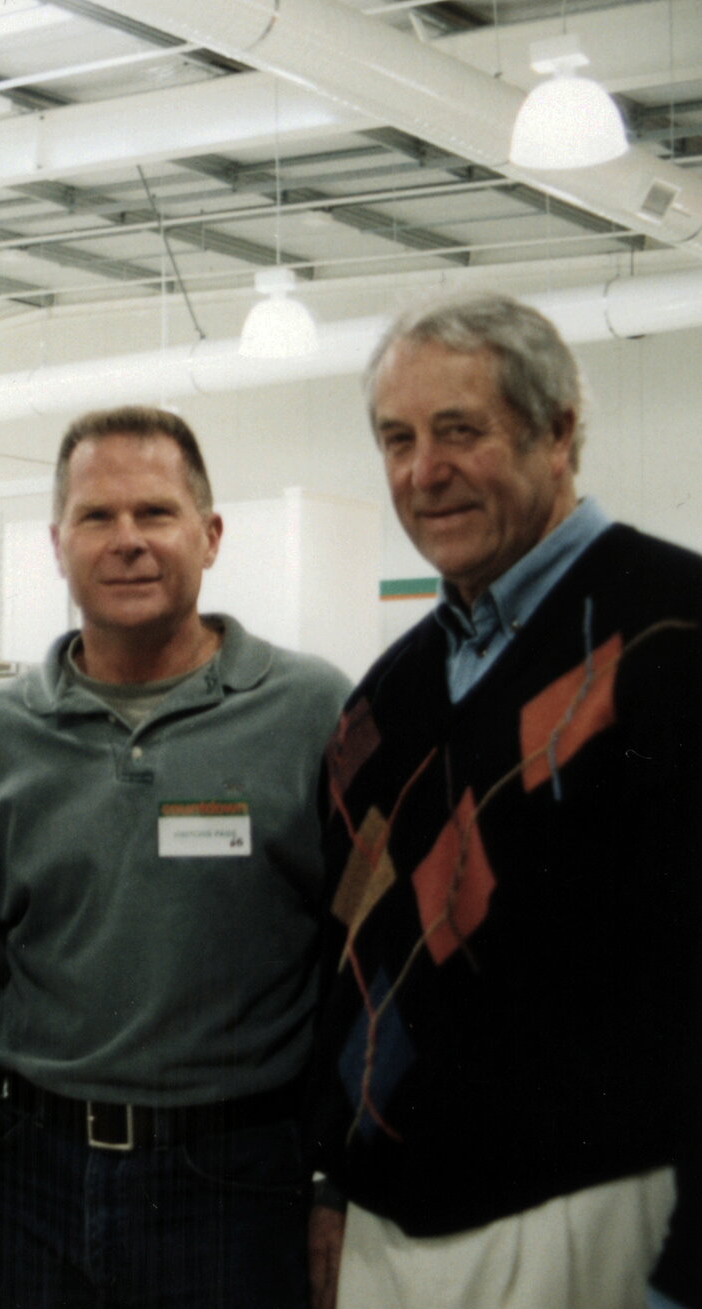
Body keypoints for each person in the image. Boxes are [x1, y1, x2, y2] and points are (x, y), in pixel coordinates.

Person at [305, 290, 702, 1309]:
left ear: (558, 429)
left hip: (589, 1216)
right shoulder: (378, 708)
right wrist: (331, 1182)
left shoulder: (674, 638)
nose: (421, 472)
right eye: (396, 438)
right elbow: (349, 959)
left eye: (458, 431)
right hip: (387, 1235)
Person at [0, 405, 351, 1309]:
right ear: (56, 542)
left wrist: (333, 1185)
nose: (128, 541)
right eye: (96, 517)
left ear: (210, 533)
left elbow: (356, 972)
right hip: (28, 1182)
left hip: (237, 1188)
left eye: (155, 513)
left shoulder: (313, 713)